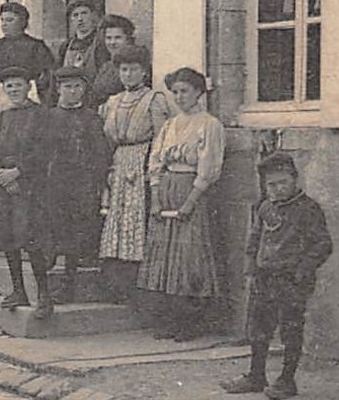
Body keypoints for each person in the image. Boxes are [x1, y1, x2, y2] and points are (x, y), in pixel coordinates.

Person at [223, 152, 333, 400]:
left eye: (283, 182)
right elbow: (254, 240)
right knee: (258, 328)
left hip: (291, 281)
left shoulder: (308, 209)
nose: (278, 189)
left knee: (291, 329)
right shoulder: (264, 207)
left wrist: (302, 270)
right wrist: (251, 268)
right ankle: (256, 375)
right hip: (265, 278)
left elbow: (323, 244)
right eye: (272, 184)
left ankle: (286, 380)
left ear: (294, 179)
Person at [137, 67, 226, 341]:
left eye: (184, 91)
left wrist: (190, 201)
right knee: (164, 257)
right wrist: (155, 196)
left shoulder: (209, 125)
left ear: (199, 92)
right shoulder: (169, 126)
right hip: (166, 189)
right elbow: (155, 161)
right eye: (175, 92)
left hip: (191, 191)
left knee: (188, 258)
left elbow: (209, 168)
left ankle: (190, 322)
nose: (179, 97)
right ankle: (169, 320)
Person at [99, 45, 170, 301]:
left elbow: (161, 140)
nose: (128, 75)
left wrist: (153, 173)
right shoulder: (112, 102)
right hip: (118, 163)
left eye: (134, 70)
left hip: (142, 163)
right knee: (115, 223)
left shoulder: (154, 100)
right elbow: (106, 140)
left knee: (137, 223)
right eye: (124, 70)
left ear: (144, 72)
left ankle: (137, 285)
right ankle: (115, 284)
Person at [38, 66, 112, 311]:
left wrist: (95, 182)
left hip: (81, 184)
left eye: (77, 87)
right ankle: (44, 282)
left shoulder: (92, 118)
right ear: (59, 89)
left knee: (75, 233)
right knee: (52, 227)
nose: (72, 91)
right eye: (67, 87)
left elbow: (101, 153)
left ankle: (68, 284)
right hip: (52, 181)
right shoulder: (47, 117)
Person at [0, 65, 49, 311]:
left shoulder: (41, 115)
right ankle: (18, 290)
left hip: (30, 188)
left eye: (18, 85)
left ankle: (44, 295)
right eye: (9, 86)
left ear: (28, 87)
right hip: (4, 189)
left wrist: (18, 172)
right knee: (9, 241)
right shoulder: (2, 118)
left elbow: (44, 150)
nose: (14, 90)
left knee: (32, 241)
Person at [88, 15, 139, 110]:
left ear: (128, 39)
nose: (112, 42)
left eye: (117, 38)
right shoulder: (106, 67)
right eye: (108, 38)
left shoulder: (136, 67)